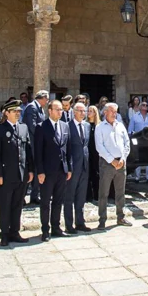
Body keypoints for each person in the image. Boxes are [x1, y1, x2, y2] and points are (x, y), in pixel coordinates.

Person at [0, 99, 34, 245]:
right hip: (6, 174)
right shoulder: (0, 129)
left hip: (21, 173)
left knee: (17, 204)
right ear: (7, 113)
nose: (18, 114)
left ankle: (15, 231)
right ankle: (4, 233)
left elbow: (28, 150)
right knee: (5, 204)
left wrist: (31, 170)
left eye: (19, 112)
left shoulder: (23, 128)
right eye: (15, 111)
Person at [34, 99, 72, 241]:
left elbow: (68, 149)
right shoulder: (41, 127)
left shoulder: (65, 126)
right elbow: (38, 151)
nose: (60, 112)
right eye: (57, 109)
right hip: (47, 171)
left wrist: (69, 168)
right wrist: (40, 171)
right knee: (45, 202)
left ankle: (56, 227)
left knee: (58, 201)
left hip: (62, 170)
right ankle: (45, 229)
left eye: (61, 109)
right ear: (49, 111)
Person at [95, 102, 132, 228]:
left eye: (116, 112)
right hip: (107, 163)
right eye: (112, 111)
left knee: (120, 192)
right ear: (105, 112)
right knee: (103, 193)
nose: (114, 114)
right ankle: (102, 219)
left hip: (121, 163)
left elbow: (127, 143)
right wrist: (112, 160)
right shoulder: (100, 127)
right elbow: (99, 147)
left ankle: (121, 217)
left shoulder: (120, 126)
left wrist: (123, 158)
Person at [63, 100, 92, 234]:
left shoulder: (87, 126)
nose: (83, 113)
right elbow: (66, 148)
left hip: (84, 165)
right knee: (69, 196)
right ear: (74, 113)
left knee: (81, 196)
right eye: (80, 111)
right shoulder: (67, 126)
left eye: (84, 111)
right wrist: (68, 167)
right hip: (73, 166)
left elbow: (86, 145)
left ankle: (80, 222)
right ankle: (69, 225)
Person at [22, 90, 49, 204]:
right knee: (30, 170)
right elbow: (32, 126)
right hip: (31, 143)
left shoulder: (40, 109)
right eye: (46, 99)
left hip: (38, 143)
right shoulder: (31, 108)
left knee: (37, 169)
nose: (47, 101)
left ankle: (34, 195)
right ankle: (22, 196)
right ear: (41, 98)